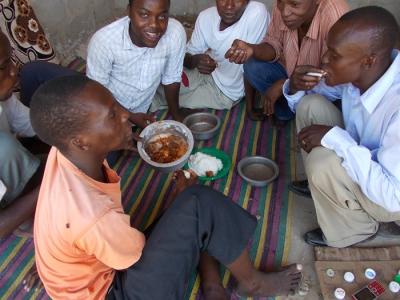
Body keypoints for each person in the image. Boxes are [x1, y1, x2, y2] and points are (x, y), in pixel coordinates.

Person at [30, 75, 302, 299]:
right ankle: (251, 283)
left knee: (191, 208)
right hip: (114, 291)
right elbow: (135, 257)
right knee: (198, 204)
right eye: (112, 115)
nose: (126, 115)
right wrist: (176, 205)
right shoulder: (93, 216)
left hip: (94, 270)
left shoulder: (64, 152)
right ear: (82, 141)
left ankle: (212, 285)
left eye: (117, 106)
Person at [283, 6, 400, 247]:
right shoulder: (364, 73)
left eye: (334, 56)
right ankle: (329, 188)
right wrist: (295, 86)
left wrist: (334, 138)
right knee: (310, 105)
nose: (324, 59)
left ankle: (356, 230)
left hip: (389, 196)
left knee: (322, 162)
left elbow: (392, 197)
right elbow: (312, 96)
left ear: (368, 61)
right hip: (364, 157)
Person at [225, 0, 348, 121]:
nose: (284, 12)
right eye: (279, 2)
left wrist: (285, 85)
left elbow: (333, 77)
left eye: (294, 4)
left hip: (321, 86)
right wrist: (251, 49)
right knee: (252, 66)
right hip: (291, 74)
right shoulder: (284, 5)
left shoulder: (335, 16)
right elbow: (274, 44)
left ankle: (300, 108)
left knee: (315, 104)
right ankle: (287, 110)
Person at [87, 0, 194, 122]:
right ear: (129, 11)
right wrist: (130, 116)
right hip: (107, 110)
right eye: (144, 14)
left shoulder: (174, 33)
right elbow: (97, 94)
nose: (154, 25)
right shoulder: (104, 42)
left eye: (162, 16)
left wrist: (177, 115)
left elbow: (172, 78)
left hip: (144, 108)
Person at [164, 0, 269, 110]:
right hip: (204, 74)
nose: (229, 6)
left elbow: (250, 65)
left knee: (167, 99)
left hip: (225, 92)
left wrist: (250, 107)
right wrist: (196, 60)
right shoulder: (206, 17)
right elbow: (186, 56)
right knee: (163, 84)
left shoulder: (256, 13)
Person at [0, 31, 48, 237]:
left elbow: (33, 124)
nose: (13, 71)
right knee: (4, 147)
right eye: (3, 67)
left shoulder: (4, 98)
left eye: (9, 61)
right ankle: (26, 220)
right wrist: (50, 183)